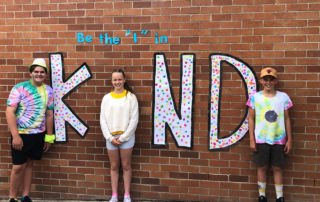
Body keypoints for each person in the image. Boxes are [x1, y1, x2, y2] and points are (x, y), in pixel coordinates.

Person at [6, 58, 55, 202]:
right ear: (30, 73)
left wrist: (49, 137)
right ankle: (12, 198)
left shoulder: (49, 90)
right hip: (21, 135)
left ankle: (25, 196)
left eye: (42, 72)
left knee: (29, 164)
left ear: (45, 74)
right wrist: (15, 136)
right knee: (18, 167)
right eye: (36, 72)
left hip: (38, 134)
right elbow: (9, 112)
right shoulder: (19, 88)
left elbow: (49, 114)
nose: (39, 74)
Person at [247, 67, 293, 202]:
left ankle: (280, 197)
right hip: (261, 139)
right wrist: (251, 139)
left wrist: (289, 140)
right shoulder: (255, 98)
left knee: (277, 167)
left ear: (276, 81)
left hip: (279, 139)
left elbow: (287, 118)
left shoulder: (283, 97)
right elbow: (251, 118)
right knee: (262, 166)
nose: (268, 82)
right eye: (265, 79)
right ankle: (262, 196)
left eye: (271, 79)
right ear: (261, 81)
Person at [100, 69, 139, 202]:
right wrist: (110, 138)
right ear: (111, 81)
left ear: (124, 80)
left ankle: (127, 195)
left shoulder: (131, 97)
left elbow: (134, 120)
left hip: (126, 137)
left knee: (126, 165)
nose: (117, 82)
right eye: (115, 80)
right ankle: (114, 195)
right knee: (114, 166)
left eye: (119, 79)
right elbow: (102, 120)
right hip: (110, 137)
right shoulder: (106, 98)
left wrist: (123, 138)